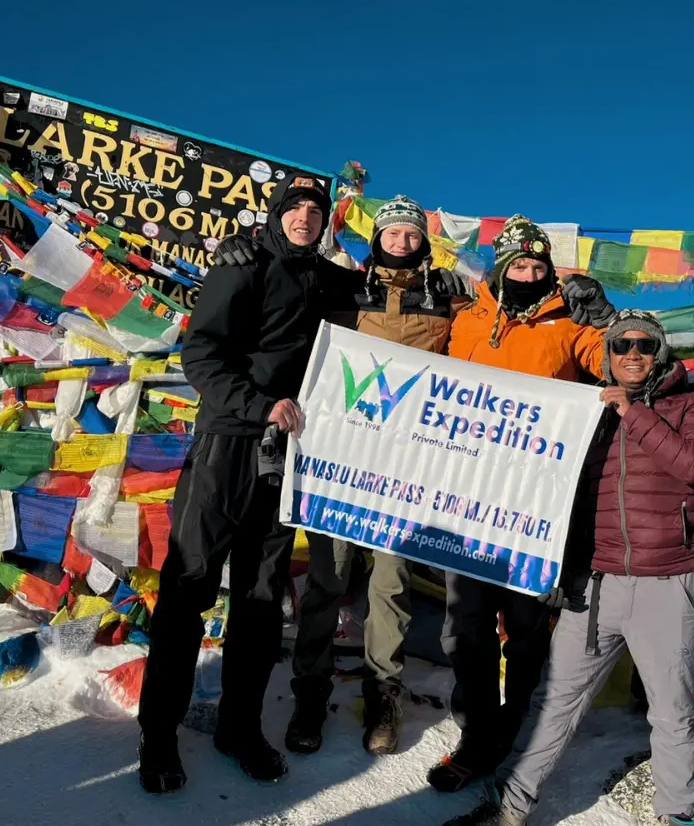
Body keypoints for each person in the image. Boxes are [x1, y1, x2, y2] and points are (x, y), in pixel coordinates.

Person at [438, 310, 694, 826]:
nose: (633, 353)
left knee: (671, 713)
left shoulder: (692, 406)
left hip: (668, 584)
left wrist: (633, 413)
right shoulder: (586, 412)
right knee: (554, 702)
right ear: (608, 353)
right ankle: (510, 811)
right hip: (594, 584)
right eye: (622, 345)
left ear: (659, 352)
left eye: (644, 344)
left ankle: (679, 825)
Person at [136, 169, 362, 794]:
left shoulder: (327, 280)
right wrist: (255, 405)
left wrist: (435, 284)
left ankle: (240, 728)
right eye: (295, 209)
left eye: (317, 213)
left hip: (281, 457)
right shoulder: (243, 263)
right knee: (188, 590)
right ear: (277, 213)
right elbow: (200, 352)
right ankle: (158, 735)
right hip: (225, 449)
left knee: (262, 602)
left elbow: (389, 297)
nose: (305, 219)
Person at [428, 215, 617, 793]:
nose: (529, 274)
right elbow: (423, 379)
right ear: (501, 269)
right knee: (466, 622)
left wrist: (606, 317)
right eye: (519, 265)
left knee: (528, 621)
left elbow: (626, 360)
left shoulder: (569, 329)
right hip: (467, 496)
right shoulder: (467, 322)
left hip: (535, 501)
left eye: (538, 266)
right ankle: (477, 733)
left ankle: (517, 719)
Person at [285, 196, 471, 758]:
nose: (401, 241)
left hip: (402, 465)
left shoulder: (449, 296)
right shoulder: (344, 287)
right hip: (341, 459)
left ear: (423, 240)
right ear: (377, 237)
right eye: (392, 232)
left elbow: (502, 319)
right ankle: (309, 695)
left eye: (411, 234)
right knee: (328, 576)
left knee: (389, 584)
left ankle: (383, 695)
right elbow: (291, 311)